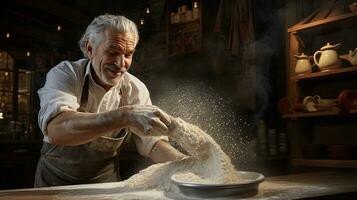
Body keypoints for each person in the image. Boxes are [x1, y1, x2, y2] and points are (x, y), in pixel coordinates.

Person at [34, 14, 185, 187]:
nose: (121, 63)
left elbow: (153, 143)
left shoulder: (134, 89)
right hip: (56, 182)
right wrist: (126, 115)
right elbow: (57, 130)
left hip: (104, 183)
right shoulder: (66, 74)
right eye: (113, 53)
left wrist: (185, 164)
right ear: (90, 49)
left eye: (128, 54)